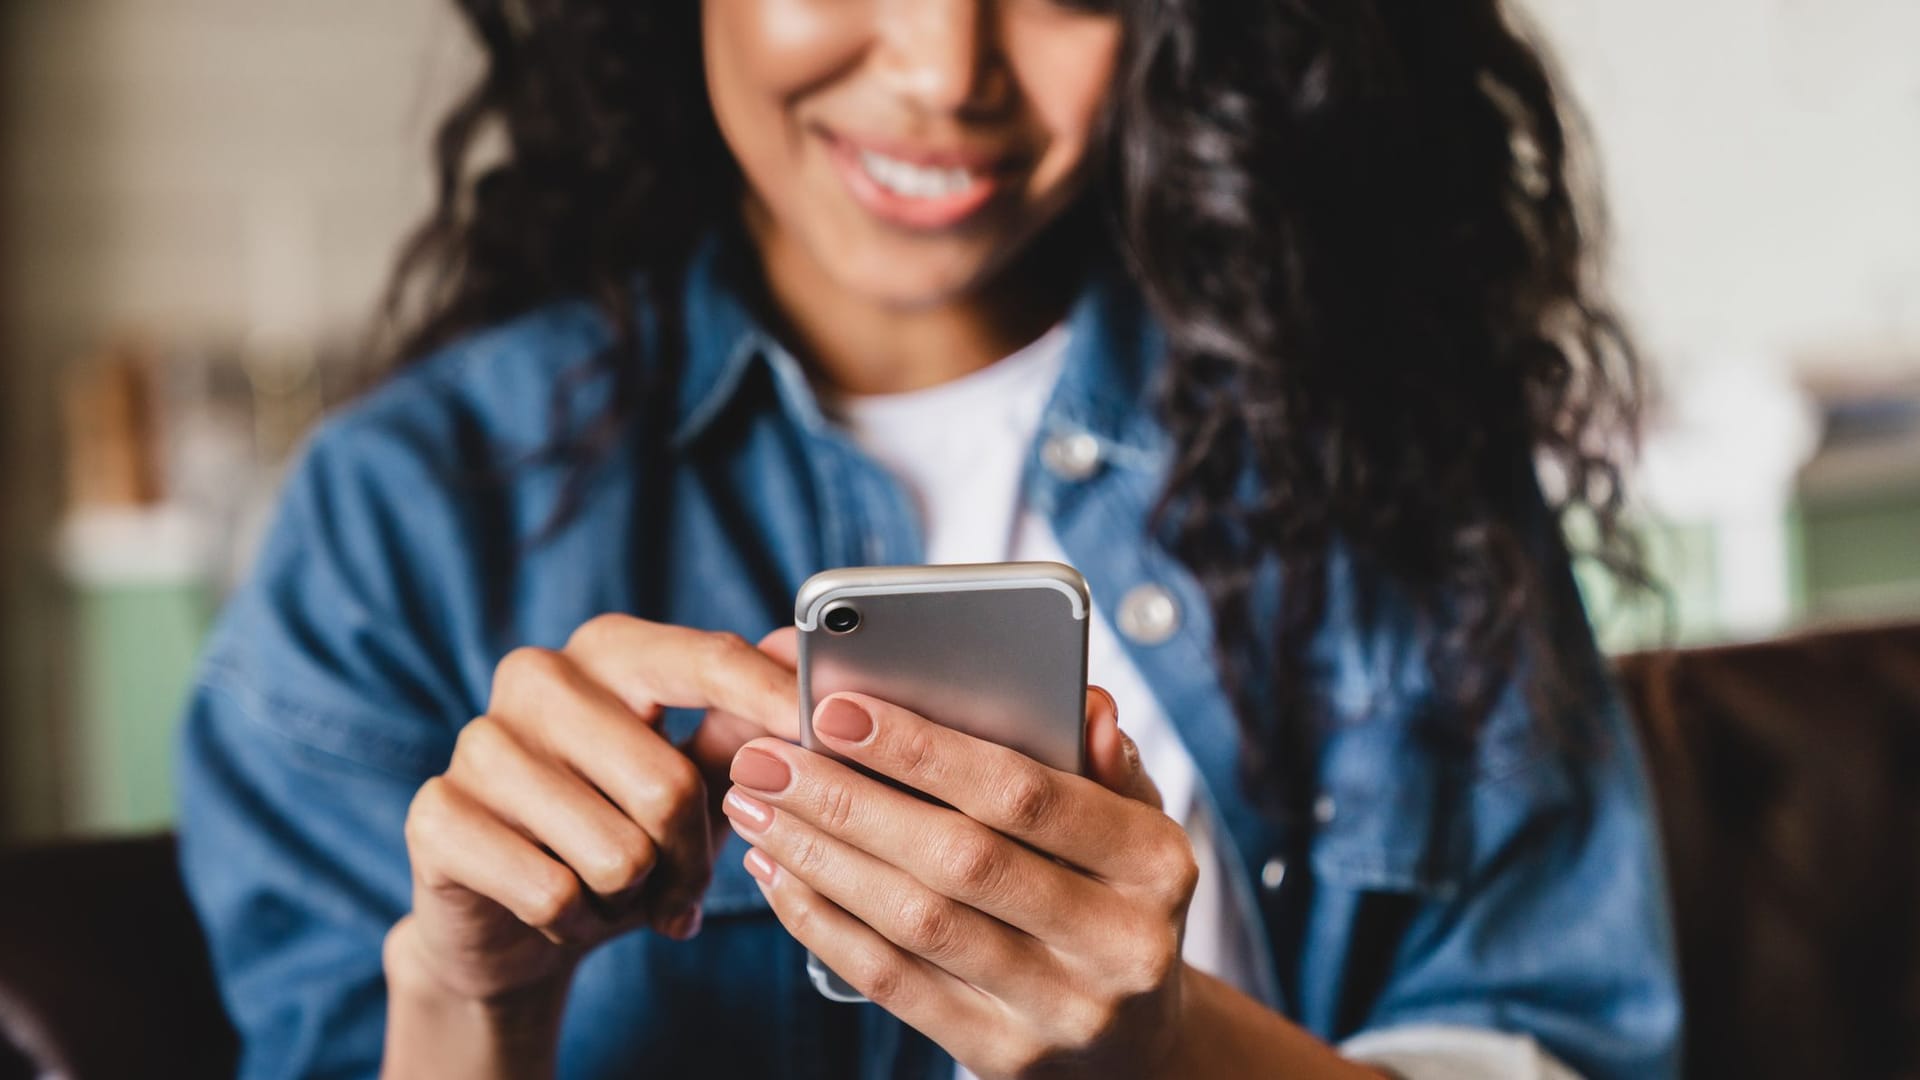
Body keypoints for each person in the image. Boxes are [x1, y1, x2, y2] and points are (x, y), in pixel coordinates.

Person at [176, 1, 1682, 1077]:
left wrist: (1162, 1055)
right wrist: (466, 1003)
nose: (941, 65)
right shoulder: (407, 517)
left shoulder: (1382, 439)